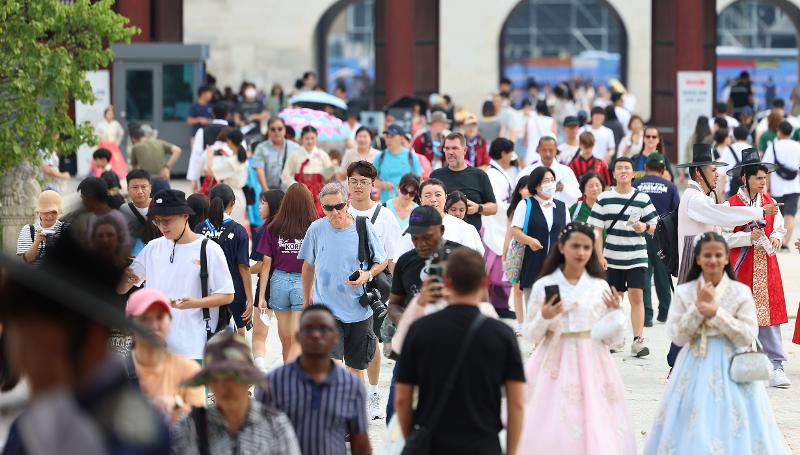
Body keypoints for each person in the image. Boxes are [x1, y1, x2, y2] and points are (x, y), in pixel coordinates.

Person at [0, 235, 170, 454]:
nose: (20, 361)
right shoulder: (37, 421)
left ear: (91, 337)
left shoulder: (133, 431)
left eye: (34, 345)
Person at [643, 232, 784, 455]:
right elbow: (676, 335)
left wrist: (717, 313)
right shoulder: (685, 291)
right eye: (707, 255)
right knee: (694, 422)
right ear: (698, 258)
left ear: (726, 258)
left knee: (736, 424)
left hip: (734, 366)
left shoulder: (740, 291)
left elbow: (748, 335)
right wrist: (698, 311)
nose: (713, 260)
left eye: (719, 255)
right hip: (694, 365)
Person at [395, 247, 525, 455]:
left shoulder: (420, 330)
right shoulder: (502, 335)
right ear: (485, 283)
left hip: (433, 444)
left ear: (447, 282)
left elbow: (402, 398)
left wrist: (413, 439)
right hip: (483, 444)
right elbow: (517, 403)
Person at [518, 222, 635, 454]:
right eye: (575, 246)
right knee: (552, 422)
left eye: (586, 247)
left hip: (593, 361)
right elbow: (531, 334)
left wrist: (615, 313)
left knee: (595, 419)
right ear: (562, 247)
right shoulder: (544, 285)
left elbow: (614, 341)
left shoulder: (600, 286)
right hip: (553, 359)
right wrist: (544, 316)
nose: (581, 252)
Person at [117, 189, 235, 361]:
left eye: (167, 221)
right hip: (155, 346)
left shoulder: (208, 249)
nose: (162, 226)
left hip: (194, 346)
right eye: (158, 222)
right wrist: (124, 279)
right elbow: (122, 288)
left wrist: (195, 303)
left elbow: (227, 294)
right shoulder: (153, 247)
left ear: (185, 216)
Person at [298, 183, 388, 377]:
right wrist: (306, 301)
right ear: (321, 208)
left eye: (339, 206)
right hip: (326, 310)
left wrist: (368, 275)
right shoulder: (316, 228)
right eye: (328, 208)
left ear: (347, 203)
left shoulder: (363, 226)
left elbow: (382, 261)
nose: (335, 212)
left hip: (359, 310)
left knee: (356, 369)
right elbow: (308, 266)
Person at [260, 305, 371, 455]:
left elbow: (361, 444)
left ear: (335, 338)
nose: (317, 335)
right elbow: (260, 438)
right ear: (298, 336)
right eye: (309, 329)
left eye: (324, 330)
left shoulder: (351, 387)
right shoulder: (273, 383)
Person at [721, 152, 791, 388]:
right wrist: (747, 238)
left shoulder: (770, 202)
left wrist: (777, 239)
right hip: (740, 268)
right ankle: (737, 362)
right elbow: (723, 238)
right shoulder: (730, 205)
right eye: (758, 178)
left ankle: (776, 365)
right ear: (745, 178)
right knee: (739, 314)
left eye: (765, 178)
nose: (763, 182)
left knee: (769, 315)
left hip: (766, 264)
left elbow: (779, 228)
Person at [171, 332, 301, 455]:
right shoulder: (190, 427)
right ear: (208, 383)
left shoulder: (275, 426)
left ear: (248, 379)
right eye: (216, 378)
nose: (225, 386)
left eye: (233, 377)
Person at [346, 160, 403, 418]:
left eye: (364, 182)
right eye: (354, 181)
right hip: (343, 286)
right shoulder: (339, 211)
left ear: (373, 185)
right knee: (346, 342)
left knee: (372, 339)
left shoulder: (385, 215)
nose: (358, 186)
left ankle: (373, 393)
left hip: (374, 288)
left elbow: (391, 258)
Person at [587, 157, 659, 357]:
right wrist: (599, 255)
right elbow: (596, 230)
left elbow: (655, 224)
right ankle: (616, 337)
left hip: (637, 255)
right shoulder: (603, 198)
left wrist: (644, 226)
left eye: (627, 168)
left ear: (633, 173)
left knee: (637, 295)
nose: (623, 171)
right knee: (615, 299)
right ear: (613, 173)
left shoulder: (642, 198)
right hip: (612, 257)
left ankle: (638, 340)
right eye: (619, 168)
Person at [256, 183, 317, 364]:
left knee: (286, 339)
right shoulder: (314, 226)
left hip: (278, 282)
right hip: (303, 282)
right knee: (299, 338)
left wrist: (261, 296)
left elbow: (266, 264)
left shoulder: (274, 227)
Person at [125, 288, 205, 423]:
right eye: (144, 318)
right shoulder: (116, 372)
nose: (154, 325)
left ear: (170, 321)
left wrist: (175, 406)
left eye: (160, 317)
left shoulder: (190, 371)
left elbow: (200, 424)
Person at [195, 184, 253, 335]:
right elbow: (243, 268)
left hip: (204, 287)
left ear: (210, 201)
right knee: (240, 331)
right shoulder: (239, 231)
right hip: (233, 289)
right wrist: (250, 298)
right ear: (232, 202)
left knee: (207, 330)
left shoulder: (199, 229)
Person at [633, 153, 680, 325]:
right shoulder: (670, 186)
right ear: (663, 169)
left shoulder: (636, 184)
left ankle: (646, 315)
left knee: (643, 274)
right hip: (662, 236)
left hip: (640, 234)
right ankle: (664, 312)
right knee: (662, 275)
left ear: (646, 168)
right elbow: (677, 213)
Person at [512, 166, 571, 303]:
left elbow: (567, 234)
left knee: (554, 308)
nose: (551, 184)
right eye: (546, 181)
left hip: (556, 266)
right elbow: (515, 231)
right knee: (533, 308)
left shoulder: (562, 207)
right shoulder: (526, 205)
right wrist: (529, 241)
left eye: (553, 180)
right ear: (536, 184)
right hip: (532, 263)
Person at [394, 178, 485, 256]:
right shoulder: (411, 229)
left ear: (445, 197)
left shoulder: (462, 227)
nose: (433, 199)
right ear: (420, 199)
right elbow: (399, 261)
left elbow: (470, 259)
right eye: (427, 195)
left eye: (438, 195)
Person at [430, 132, 498, 230]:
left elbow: (493, 208)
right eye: (447, 148)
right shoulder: (436, 176)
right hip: (443, 236)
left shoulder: (479, 175)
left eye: (455, 148)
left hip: (471, 238)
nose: (450, 152)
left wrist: (478, 208)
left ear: (465, 150)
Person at [250, 189, 285, 369]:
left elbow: (262, 263)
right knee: (288, 336)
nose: (259, 207)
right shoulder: (289, 228)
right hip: (288, 284)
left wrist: (242, 269)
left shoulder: (264, 231)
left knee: (258, 335)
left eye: (263, 203)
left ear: (273, 206)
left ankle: (261, 369)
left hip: (267, 286)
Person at [281, 125, 336, 214]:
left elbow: (328, 177)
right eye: (307, 138)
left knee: (318, 215)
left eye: (312, 138)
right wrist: (296, 186)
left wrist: (332, 168)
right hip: (300, 193)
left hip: (318, 193)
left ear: (316, 139)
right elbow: (285, 175)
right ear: (302, 139)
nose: (310, 141)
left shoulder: (322, 155)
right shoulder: (294, 155)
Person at [763, 120, 800, 247]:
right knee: (790, 215)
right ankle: (785, 242)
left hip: (777, 188)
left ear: (779, 131)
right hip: (794, 187)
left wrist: (767, 187)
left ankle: (777, 240)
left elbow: (766, 169)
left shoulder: (773, 146)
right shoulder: (797, 146)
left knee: (777, 215)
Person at [518, 136, 581, 207]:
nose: (547, 154)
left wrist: (563, 189)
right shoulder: (527, 171)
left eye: (551, 150)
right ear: (538, 149)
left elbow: (578, 198)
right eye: (544, 150)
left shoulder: (567, 171)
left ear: (556, 150)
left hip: (562, 213)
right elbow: (518, 195)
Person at [206, 128, 249, 227]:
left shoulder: (231, 162)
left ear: (229, 141)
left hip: (231, 198)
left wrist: (209, 156)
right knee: (236, 231)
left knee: (228, 230)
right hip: (239, 197)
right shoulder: (242, 157)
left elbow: (210, 172)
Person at [187, 103, 232, 193]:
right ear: (228, 115)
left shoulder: (202, 132)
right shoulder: (235, 132)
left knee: (208, 204)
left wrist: (194, 179)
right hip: (229, 177)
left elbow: (196, 156)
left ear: (213, 115)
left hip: (207, 177)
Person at [376, 124, 423, 202]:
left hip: (408, 204)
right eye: (387, 137)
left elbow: (419, 180)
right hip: (386, 204)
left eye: (392, 137)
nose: (388, 140)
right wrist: (383, 185)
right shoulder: (380, 157)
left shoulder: (411, 156)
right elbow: (370, 180)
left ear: (401, 138)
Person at [17, 190, 65, 266]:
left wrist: (60, 242)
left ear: (58, 212)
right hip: (34, 276)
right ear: (39, 212)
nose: (49, 216)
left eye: (53, 212)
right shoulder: (29, 230)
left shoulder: (66, 229)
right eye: (45, 212)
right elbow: (27, 260)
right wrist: (37, 242)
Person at [253, 117, 302, 191]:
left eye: (280, 129)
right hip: (269, 190)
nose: (276, 132)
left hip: (290, 192)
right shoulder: (261, 148)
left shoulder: (295, 148)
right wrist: (266, 190)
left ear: (284, 130)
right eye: (273, 129)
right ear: (268, 131)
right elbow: (260, 170)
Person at [121, 169, 152, 253]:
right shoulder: (123, 210)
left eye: (143, 187)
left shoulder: (160, 207)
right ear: (128, 189)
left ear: (150, 188)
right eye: (135, 187)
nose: (140, 191)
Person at [92, 105, 128, 178]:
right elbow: (96, 134)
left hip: (112, 145)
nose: (110, 115)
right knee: (102, 160)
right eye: (108, 113)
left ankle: (114, 175)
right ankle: (101, 174)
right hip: (103, 145)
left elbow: (121, 133)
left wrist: (117, 142)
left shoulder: (115, 124)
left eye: (111, 114)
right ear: (105, 114)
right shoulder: (100, 124)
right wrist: (99, 142)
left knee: (115, 161)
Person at [718, 126, 753, 198]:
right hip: (749, 189)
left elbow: (722, 174)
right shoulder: (752, 149)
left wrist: (720, 193)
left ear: (734, 136)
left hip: (731, 188)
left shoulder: (728, 149)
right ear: (747, 136)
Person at [680, 115, 712, 183]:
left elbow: (686, 156)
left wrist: (682, 172)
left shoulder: (693, 138)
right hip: (709, 171)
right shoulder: (711, 138)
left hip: (694, 171)